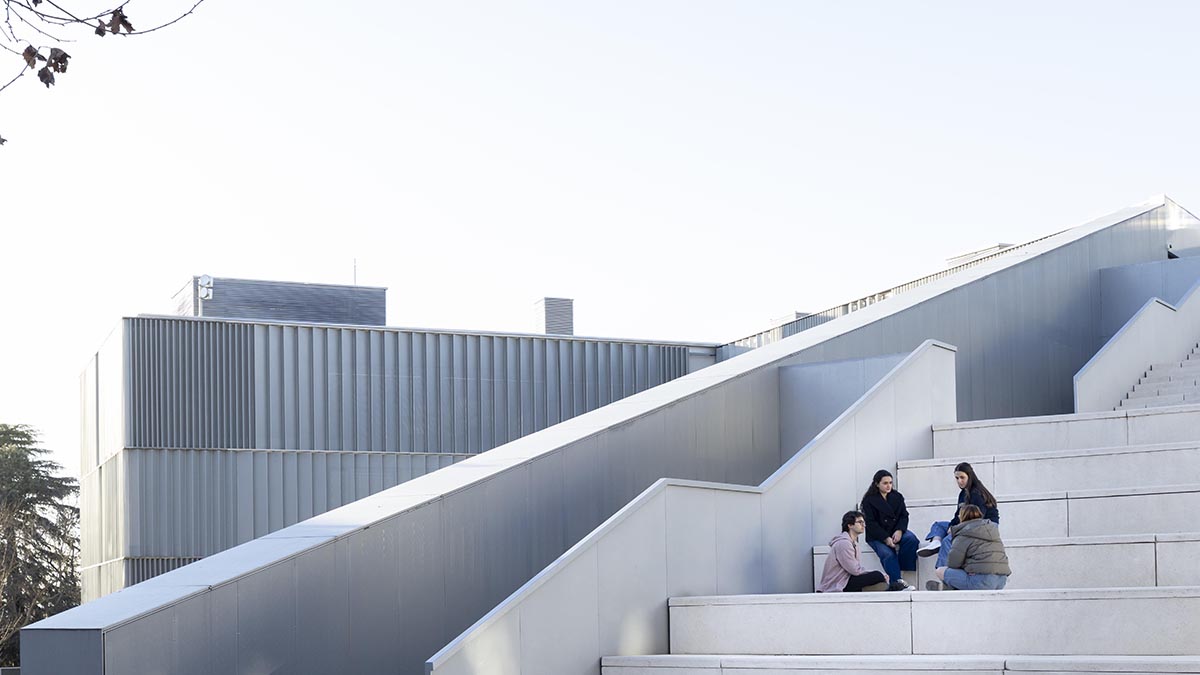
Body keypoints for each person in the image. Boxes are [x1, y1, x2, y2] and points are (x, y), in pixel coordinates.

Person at [918, 462, 1000, 572]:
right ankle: (936, 542)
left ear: (969, 476)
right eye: (957, 478)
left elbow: (978, 517)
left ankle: (942, 571)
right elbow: (958, 515)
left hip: (985, 526)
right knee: (938, 525)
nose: (959, 481)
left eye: (962, 477)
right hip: (968, 524)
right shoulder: (963, 494)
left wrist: (956, 529)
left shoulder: (976, 493)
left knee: (947, 540)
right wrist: (951, 526)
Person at [860, 469, 918, 591]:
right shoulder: (868, 501)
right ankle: (897, 583)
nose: (888, 486)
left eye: (890, 483)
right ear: (877, 484)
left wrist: (899, 530)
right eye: (885, 483)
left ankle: (904, 568)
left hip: (895, 530)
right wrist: (885, 538)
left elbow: (904, 515)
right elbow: (870, 523)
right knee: (887, 554)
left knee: (911, 539)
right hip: (877, 535)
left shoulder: (897, 496)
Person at [933, 504, 1011, 590]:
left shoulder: (963, 534)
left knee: (940, 571)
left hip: (981, 582)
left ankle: (947, 589)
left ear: (962, 516)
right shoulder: (992, 531)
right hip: (1001, 581)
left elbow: (953, 563)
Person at [817, 511, 894, 592]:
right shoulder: (843, 543)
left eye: (864, 522)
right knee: (877, 575)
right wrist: (879, 574)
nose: (864, 525)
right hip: (838, 583)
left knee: (878, 577)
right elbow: (854, 570)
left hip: (846, 579)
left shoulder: (853, 543)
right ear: (850, 525)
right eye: (860, 522)